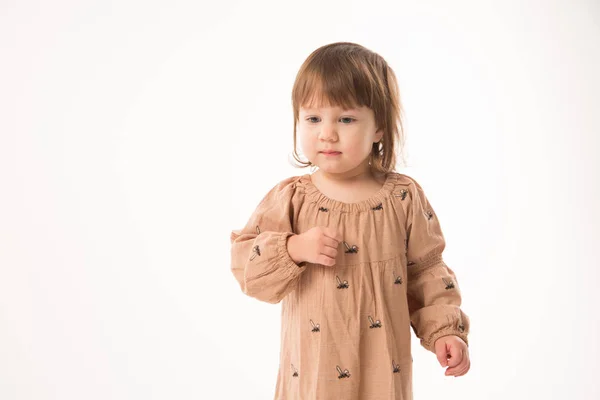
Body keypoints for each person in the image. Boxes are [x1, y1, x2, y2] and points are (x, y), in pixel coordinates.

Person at [230, 41, 470, 400]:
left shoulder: (403, 197)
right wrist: (293, 247)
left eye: (345, 119)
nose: (327, 132)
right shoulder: (291, 198)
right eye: (313, 118)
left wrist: (444, 331)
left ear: (378, 128)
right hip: (312, 379)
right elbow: (246, 264)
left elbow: (426, 270)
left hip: (382, 374)